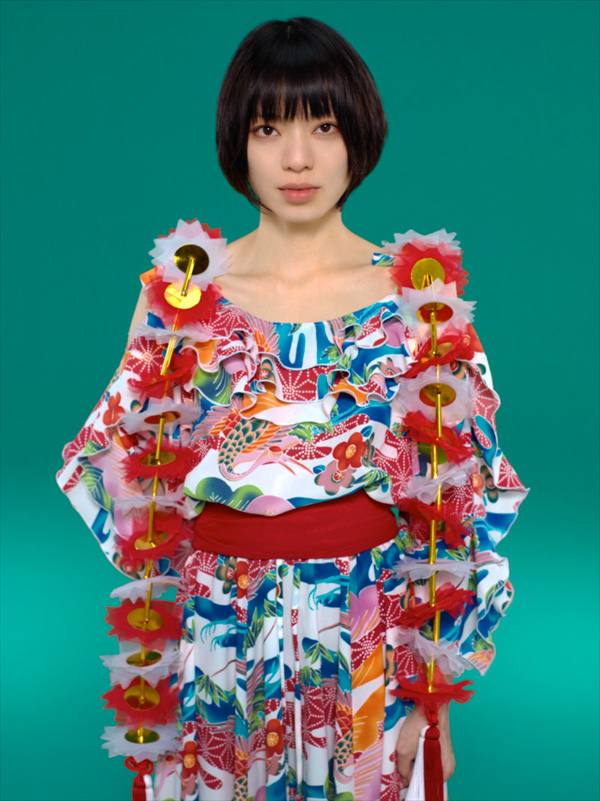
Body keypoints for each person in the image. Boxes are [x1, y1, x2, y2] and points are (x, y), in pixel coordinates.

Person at [56, 16, 528, 801]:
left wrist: (432, 705)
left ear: (358, 136)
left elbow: (457, 513)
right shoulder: (180, 302)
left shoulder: (421, 306)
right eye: (269, 128)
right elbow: (128, 485)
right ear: (238, 142)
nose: (297, 158)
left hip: (367, 643)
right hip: (218, 642)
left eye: (323, 126)